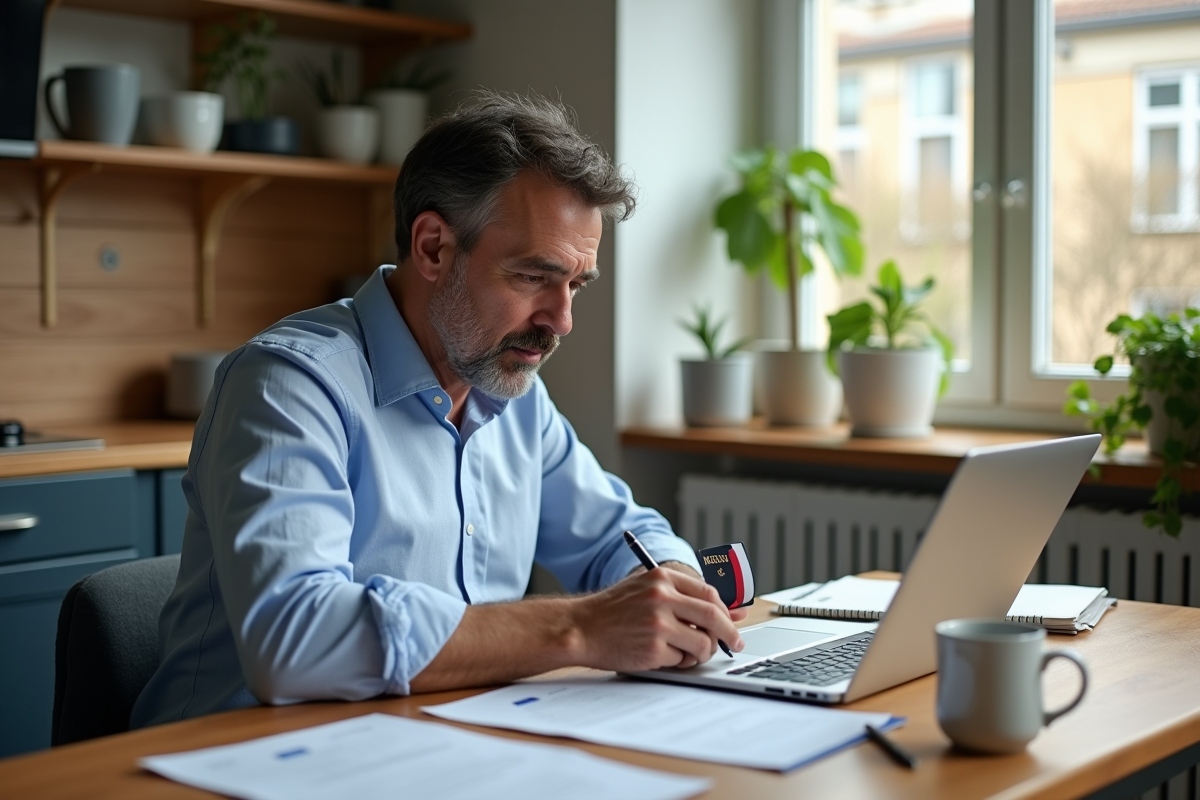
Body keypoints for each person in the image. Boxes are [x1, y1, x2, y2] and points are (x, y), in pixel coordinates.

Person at [131, 92, 745, 729]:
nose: (561, 321)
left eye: (575, 285)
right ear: (432, 248)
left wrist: (672, 586)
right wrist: (578, 626)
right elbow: (295, 640)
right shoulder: (289, 386)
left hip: (440, 748)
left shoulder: (515, 396)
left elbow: (621, 534)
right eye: (533, 277)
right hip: (232, 763)